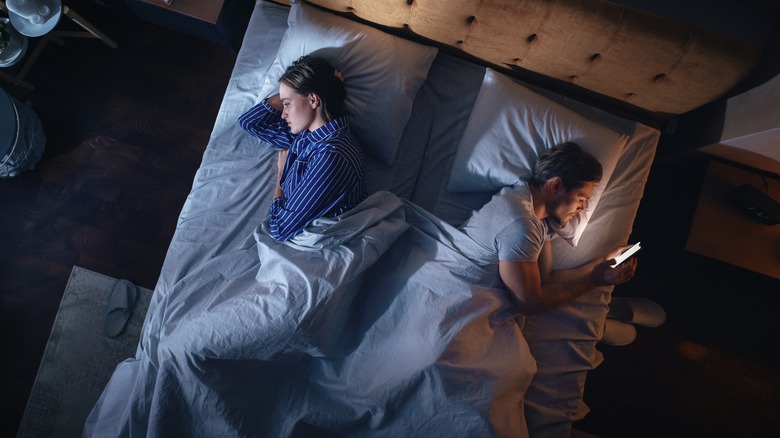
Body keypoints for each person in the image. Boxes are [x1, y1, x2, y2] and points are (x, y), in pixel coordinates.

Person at [460, 142, 638, 315]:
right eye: (581, 198)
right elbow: (530, 303)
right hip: (459, 291)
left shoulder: (535, 215)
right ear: (556, 186)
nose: (582, 208)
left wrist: (606, 259)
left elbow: (547, 279)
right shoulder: (522, 224)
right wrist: (593, 282)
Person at [239, 55, 367, 241]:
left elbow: (279, 229)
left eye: (287, 105)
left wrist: (281, 176)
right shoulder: (307, 135)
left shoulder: (331, 156)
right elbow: (250, 123)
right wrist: (292, 92)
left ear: (313, 100)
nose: (283, 114)